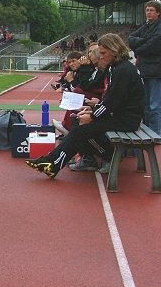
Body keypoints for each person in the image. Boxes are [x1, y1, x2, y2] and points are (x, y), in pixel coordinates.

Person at [25, 33, 144, 179]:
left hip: (127, 120)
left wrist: (93, 115)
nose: (101, 57)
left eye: (103, 53)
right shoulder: (116, 68)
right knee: (78, 120)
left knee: (81, 129)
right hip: (121, 115)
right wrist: (92, 109)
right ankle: (55, 162)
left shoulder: (123, 70)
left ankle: (55, 162)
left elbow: (112, 102)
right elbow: (112, 100)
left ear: (114, 50)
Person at [128, 0, 161, 136]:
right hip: (144, 70)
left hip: (156, 71)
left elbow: (154, 45)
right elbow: (131, 38)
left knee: (155, 106)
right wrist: (144, 40)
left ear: (158, 12)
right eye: (147, 10)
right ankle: (148, 132)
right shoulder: (146, 26)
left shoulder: (159, 27)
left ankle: (156, 134)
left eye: (151, 10)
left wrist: (138, 48)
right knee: (146, 105)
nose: (148, 12)